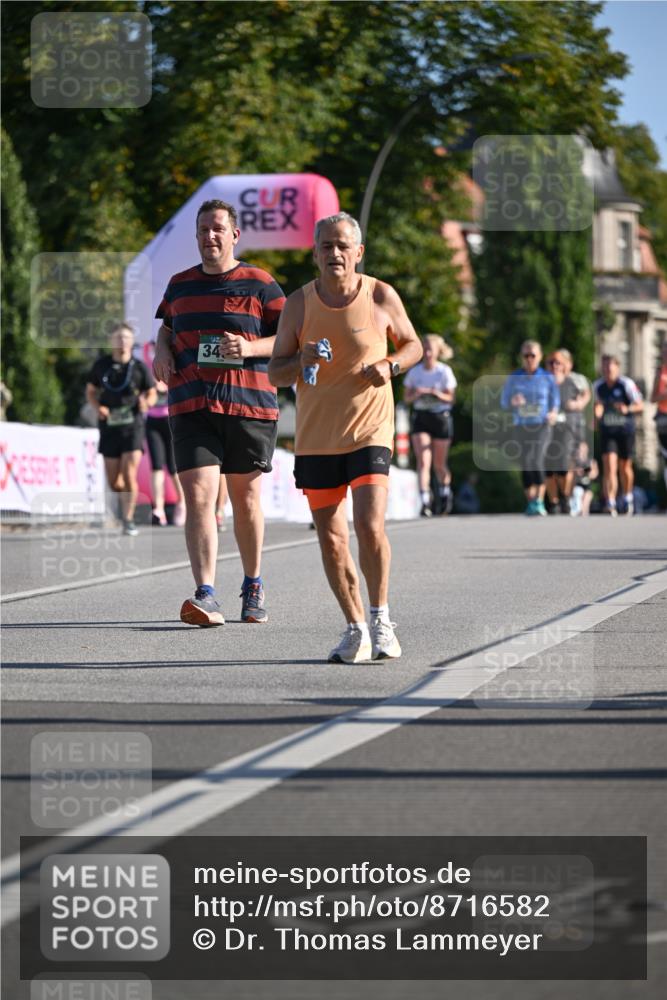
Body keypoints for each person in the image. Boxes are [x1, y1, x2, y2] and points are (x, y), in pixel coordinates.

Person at [268, 212, 422, 664]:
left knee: (370, 526)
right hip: (317, 438)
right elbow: (275, 371)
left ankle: (381, 618)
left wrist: (391, 365)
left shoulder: (380, 295)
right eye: (326, 246)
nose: (334, 253)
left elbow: (413, 345)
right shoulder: (298, 304)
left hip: (370, 429)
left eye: (342, 246)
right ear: (315, 254)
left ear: (358, 252)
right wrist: (299, 361)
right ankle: (355, 628)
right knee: (332, 539)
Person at [152, 199, 285, 625]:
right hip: (191, 404)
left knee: (245, 500)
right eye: (203, 230)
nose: (209, 236)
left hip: (248, 406)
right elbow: (167, 327)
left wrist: (249, 347)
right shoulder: (180, 285)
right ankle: (206, 593)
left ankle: (253, 583)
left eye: (217, 229)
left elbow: (289, 339)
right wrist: (160, 350)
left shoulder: (261, 284)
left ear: (234, 235)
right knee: (198, 498)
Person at [86, 323, 156, 535]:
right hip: (109, 426)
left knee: (129, 474)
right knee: (114, 482)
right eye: (118, 338)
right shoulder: (101, 365)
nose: (122, 342)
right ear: (111, 341)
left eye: (126, 338)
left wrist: (146, 403)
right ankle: (124, 505)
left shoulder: (139, 367)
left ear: (132, 341)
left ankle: (128, 519)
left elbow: (152, 392)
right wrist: (99, 407)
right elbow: (90, 391)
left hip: (133, 425)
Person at [500, 340, 560, 516]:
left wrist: (553, 412)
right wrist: (513, 401)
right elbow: (504, 401)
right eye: (526, 355)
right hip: (522, 425)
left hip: (542, 425)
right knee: (526, 462)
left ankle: (540, 501)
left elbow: (555, 400)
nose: (529, 359)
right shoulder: (514, 377)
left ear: (539, 356)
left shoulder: (547, 377)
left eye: (532, 355)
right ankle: (531, 501)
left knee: (537, 459)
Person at [403, 334, 457, 516]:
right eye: (424, 350)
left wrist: (436, 394)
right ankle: (425, 500)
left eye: (430, 350)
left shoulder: (444, 371)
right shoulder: (415, 372)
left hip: (440, 417)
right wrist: (417, 394)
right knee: (423, 461)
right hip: (422, 417)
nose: (427, 354)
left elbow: (451, 399)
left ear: (437, 352)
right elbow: (407, 398)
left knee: (439, 464)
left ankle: (445, 492)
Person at [593, 354, 643, 516]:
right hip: (608, 432)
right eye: (604, 366)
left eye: (610, 365)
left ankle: (627, 497)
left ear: (617, 367)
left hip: (625, 430)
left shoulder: (626, 384)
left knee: (625, 466)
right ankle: (610, 502)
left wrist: (627, 409)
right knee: (609, 465)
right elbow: (597, 405)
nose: (607, 369)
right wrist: (597, 414)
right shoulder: (598, 386)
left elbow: (640, 405)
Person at [543, 350, 587, 514]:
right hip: (547, 429)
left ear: (565, 365)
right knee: (548, 468)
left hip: (568, 429)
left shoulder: (573, 381)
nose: (555, 366)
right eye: (551, 362)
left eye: (558, 363)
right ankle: (554, 502)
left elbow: (586, 395)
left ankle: (565, 496)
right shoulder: (543, 382)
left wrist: (578, 404)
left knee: (563, 465)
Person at [145, 376, 186, 527]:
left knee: (173, 466)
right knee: (156, 465)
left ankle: (182, 503)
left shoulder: (173, 362)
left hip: (170, 417)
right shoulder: (143, 362)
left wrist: (164, 387)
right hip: (152, 420)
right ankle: (158, 509)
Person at [650, 341, 667, 496]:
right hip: (663, 418)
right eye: (664, 352)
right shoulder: (660, 372)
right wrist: (663, 395)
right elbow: (652, 398)